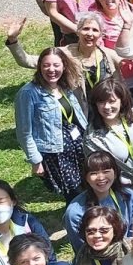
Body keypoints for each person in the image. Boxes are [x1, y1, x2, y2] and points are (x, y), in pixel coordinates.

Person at [15, 47, 88, 196]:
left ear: (64, 66)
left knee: (87, 187)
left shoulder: (65, 86)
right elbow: (24, 132)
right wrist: (36, 160)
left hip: (78, 146)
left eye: (56, 65)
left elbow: (78, 116)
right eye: (46, 65)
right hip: (56, 154)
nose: (51, 70)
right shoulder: (28, 93)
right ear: (39, 67)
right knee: (74, 193)